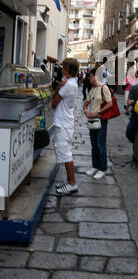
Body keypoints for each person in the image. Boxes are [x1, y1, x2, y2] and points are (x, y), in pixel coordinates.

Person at [52, 58, 80, 196]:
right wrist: (59, 87)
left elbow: (53, 103)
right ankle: (69, 182)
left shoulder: (68, 85)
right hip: (65, 122)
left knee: (66, 154)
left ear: (67, 68)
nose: (61, 68)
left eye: (63, 66)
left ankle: (72, 184)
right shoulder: (71, 84)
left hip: (63, 123)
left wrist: (58, 87)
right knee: (65, 152)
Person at [83, 68, 113, 180]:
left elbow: (110, 104)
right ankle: (95, 166)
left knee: (101, 145)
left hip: (101, 120)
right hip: (92, 121)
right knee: (94, 145)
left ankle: (103, 169)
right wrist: (87, 112)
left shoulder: (103, 88)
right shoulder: (93, 89)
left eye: (90, 76)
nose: (89, 78)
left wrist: (97, 112)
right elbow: (85, 103)